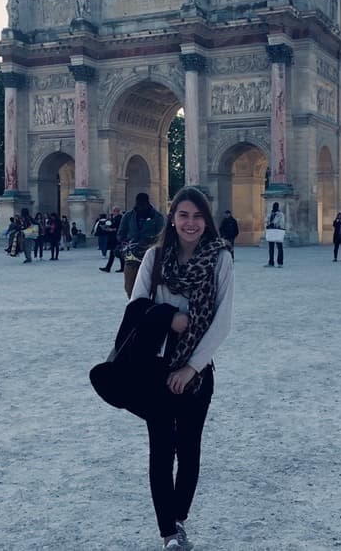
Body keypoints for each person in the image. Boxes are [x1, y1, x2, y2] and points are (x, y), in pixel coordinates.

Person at [128, 186, 234, 550]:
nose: (191, 223)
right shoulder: (154, 259)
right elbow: (137, 309)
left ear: (207, 220)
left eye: (198, 215)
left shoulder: (221, 260)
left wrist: (191, 368)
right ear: (172, 218)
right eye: (183, 215)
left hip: (197, 371)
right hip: (155, 369)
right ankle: (169, 533)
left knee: (188, 452)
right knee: (160, 451)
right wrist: (169, 316)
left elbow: (222, 322)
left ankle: (179, 518)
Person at [117, 193, 165, 297]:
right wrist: (127, 244)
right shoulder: (128, 216)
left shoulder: (158, 217)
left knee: (152, 285)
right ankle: (134, 305)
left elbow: (163, 236)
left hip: (151, 255)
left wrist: (150, 241)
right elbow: (121, 234)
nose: (141, 206)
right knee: (130, 286)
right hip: (132, 257)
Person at [101, 206, 125, 273]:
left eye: (114, 211)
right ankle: (109, 267)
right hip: (113, 238)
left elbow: (119, 228)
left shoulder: (120, 218)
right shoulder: (113, 218)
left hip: (116, 238)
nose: (113, 212)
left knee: (116, 253)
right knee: (114, 253)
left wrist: (111, 229)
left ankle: (109, 268)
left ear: (117, 211)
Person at [265, 202, 285, 267]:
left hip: (277, 232)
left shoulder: (280, 214)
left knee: (279, 248)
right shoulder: (270, 213)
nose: (274, 207)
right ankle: (271, 262)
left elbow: (282, 223)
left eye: (276, 206)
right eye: (274, 206)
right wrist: (267, 225)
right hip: (271, 231)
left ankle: (280, 263)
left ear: (278, 207)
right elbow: (266, 220)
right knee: (271, 248)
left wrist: (274, 224)